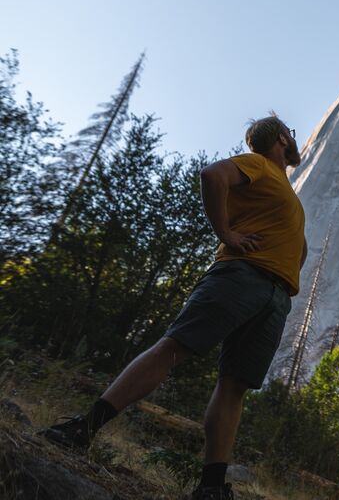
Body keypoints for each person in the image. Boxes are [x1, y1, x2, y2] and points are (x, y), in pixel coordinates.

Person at [42, 113, 308, 500]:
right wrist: (226, 234)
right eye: (291, 135)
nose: (293, 140)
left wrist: (289, 270)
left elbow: (297, 245)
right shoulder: (259, 166)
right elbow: (212, 175)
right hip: (241, 276)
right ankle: (81, 430)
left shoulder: (284, 189)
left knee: (234, 386)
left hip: (275, 296)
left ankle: (211, 486)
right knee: (174, 347)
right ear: (282, 138)